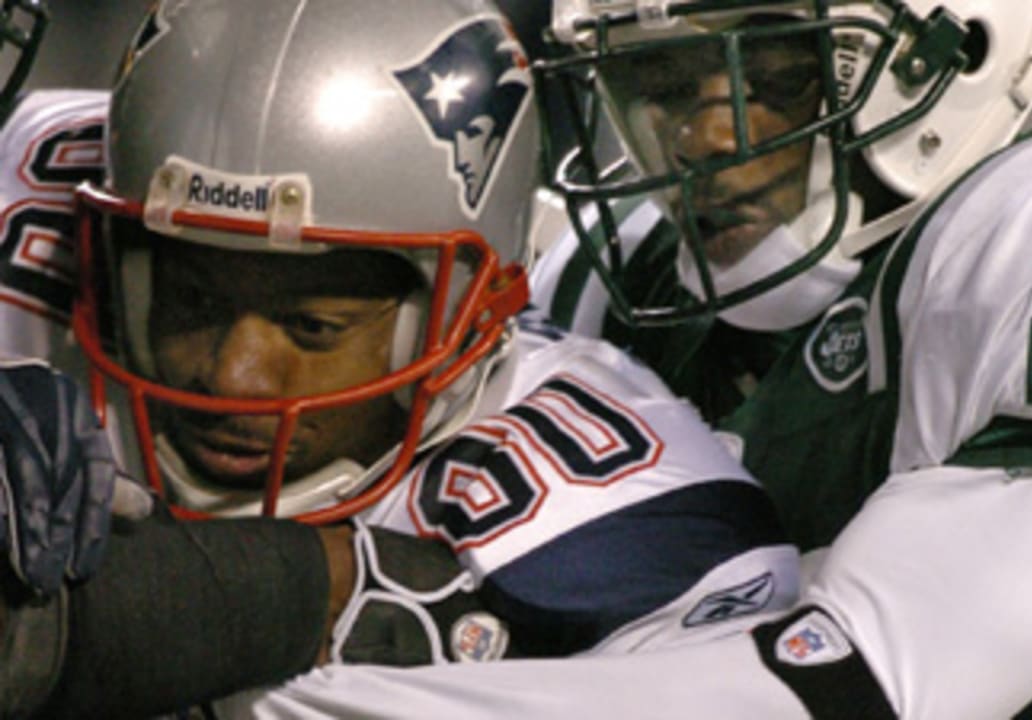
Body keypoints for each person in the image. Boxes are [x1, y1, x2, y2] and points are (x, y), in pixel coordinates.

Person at [0, 0, 800, 717]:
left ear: (465, 313)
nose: (233, 375)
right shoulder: (31, 210)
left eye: (312, 327)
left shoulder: (609, 516)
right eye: (193, 303)